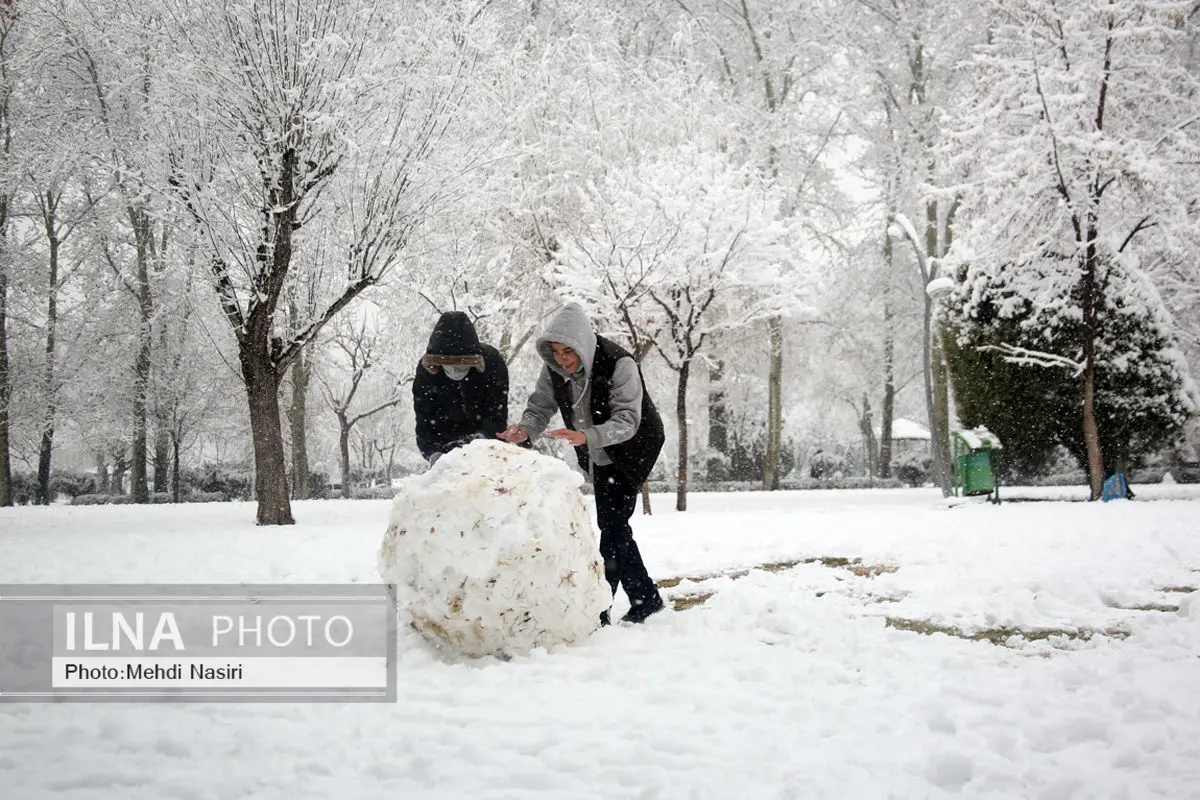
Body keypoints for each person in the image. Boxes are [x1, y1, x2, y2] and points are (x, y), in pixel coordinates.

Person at [498, 303, 666, 625]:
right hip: (595, 446)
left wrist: (586, 435)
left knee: (612, 526)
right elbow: (539, 407)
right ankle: (646, 599)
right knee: (614, 525)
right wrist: (525, 430)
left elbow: (627, 421)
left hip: (634, 447)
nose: (562, 359)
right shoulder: (555, 368)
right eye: (556, 351)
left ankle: (598, 610)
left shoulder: (619, 364)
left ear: (583, 345)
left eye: (568, 351)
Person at [413, 311, 509, 466]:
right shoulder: (426, 371)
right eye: (449, 365)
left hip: (486, 447)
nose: (455, 370)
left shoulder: (492, 363)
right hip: (444, 445)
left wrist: (482, 440)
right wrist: (433, 453)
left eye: (462, 365)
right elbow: (425, 420)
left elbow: (496, 413)